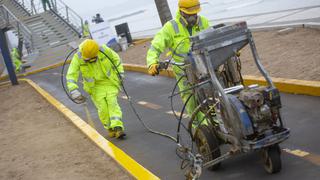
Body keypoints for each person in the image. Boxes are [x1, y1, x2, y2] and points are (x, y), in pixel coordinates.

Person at [146, 0, 210, 126]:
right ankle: (199, 131)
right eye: (189, 15)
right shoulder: (170, 27)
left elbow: (212, 38)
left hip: (204, 67)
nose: (193, 18)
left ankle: (215, 124)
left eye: (195, 14)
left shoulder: (203, 22)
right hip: (184, 72)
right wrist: (152, 63)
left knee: (210, 97)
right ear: (181, 12)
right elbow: (156, 46)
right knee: (191, 102)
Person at [66, 39, 126, 139]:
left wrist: (120, 74)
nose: (90, 61)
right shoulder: (78, 57)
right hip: (94, 88)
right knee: (103, 109)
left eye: (92, 59)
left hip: (109, 82)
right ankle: (109, 127)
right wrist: (73, 90)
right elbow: (71, 74)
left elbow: (116, 59)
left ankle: (118, 127)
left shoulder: (104, 50)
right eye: (87, 60)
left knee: (113, 104)